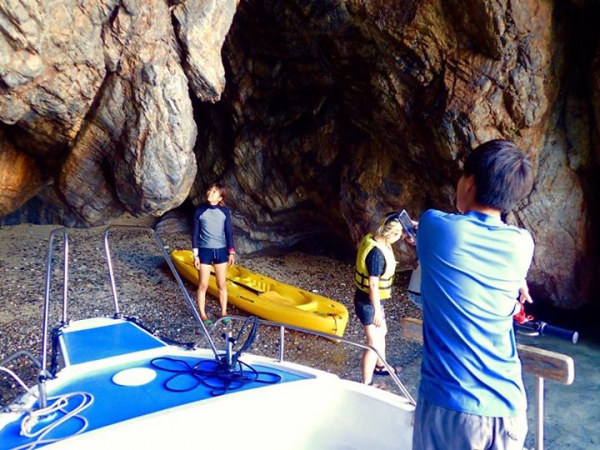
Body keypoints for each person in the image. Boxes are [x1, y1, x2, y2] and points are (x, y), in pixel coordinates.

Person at [413, 139, 535, 450]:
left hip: (453, 408)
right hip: (510, 409)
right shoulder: (522, 244)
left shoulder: (434, 227)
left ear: (470, 181)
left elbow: (435, 230)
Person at [353, 213, 406, 387]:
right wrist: (377, 311)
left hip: (374, 301)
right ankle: (366, 382)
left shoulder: (376, 239)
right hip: (367, 303)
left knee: (382, 331)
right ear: (392, 234)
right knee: (373, 342)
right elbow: (373, 286)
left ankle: (381, 366)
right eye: (399, 235)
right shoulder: (376, 254)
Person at [192, 183, 235, 326]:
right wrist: (195, 255)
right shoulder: (200, 211)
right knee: (203, 284)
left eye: (214, 191)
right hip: (204, 251)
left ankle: (223, 313)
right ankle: (203, 315)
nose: (210, 192)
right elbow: (195, 233)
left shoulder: (225, 212)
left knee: (221, 284)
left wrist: (231, 252)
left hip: (221, 251)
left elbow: (229, 232)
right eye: (210, 189)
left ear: (220, 197)